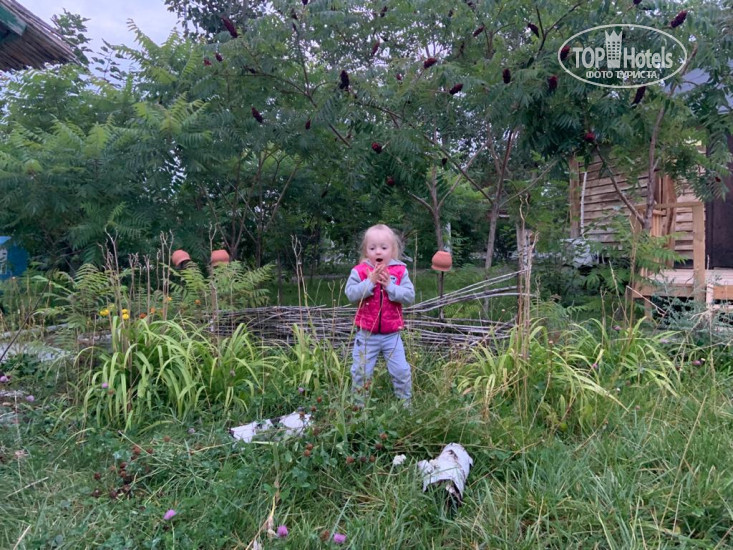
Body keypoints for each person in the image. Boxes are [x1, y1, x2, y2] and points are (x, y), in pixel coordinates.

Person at [345, 224, 415, 404]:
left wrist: (390, 286)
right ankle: (358, 407)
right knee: (360, 372)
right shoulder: (360, 271)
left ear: (393, 250)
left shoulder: (400, 271)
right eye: (372, 248)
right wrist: (370, 282)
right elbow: (351, 294)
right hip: (366, 335)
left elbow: (409, 296)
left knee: (401, 371)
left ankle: (405, 405)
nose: (378, 252)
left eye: (384, 248)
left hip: (392, 335)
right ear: (366, 251)